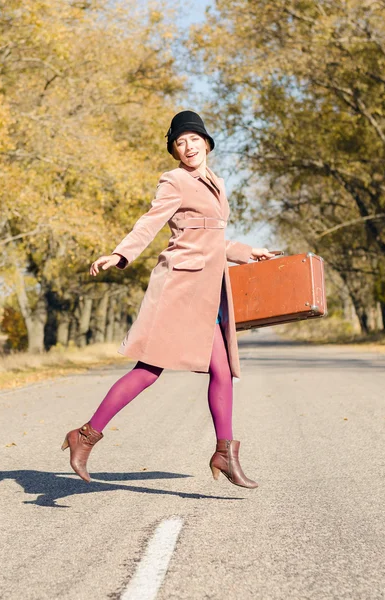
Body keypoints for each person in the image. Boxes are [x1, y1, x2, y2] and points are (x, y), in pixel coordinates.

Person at [61, 110, 274, 488]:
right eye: (181, 142)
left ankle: (225, 452)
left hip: (207, 290)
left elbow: (210, 240)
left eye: (194, 139)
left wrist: (246, 251)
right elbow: (150, 222)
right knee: (149, 371)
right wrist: (119, 254)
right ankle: (86, 435)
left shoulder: (217, 183)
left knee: (222, 371)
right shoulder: (174, 180)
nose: (189, 146)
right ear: (175, 151)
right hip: (179, 287)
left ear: (206, 143)